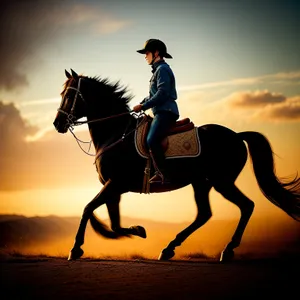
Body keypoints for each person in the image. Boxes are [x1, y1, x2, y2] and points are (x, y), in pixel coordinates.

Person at [133, 39, 180, 184]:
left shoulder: (163, 69)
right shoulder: (158, 70)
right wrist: (141, 103)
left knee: (151, 140)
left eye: (147, 53)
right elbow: (154, 95)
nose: (145, 56)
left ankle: (164, 175)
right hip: (161, 111)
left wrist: (144, 106)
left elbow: (162, 93)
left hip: (165, 112)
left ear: (156, 53)